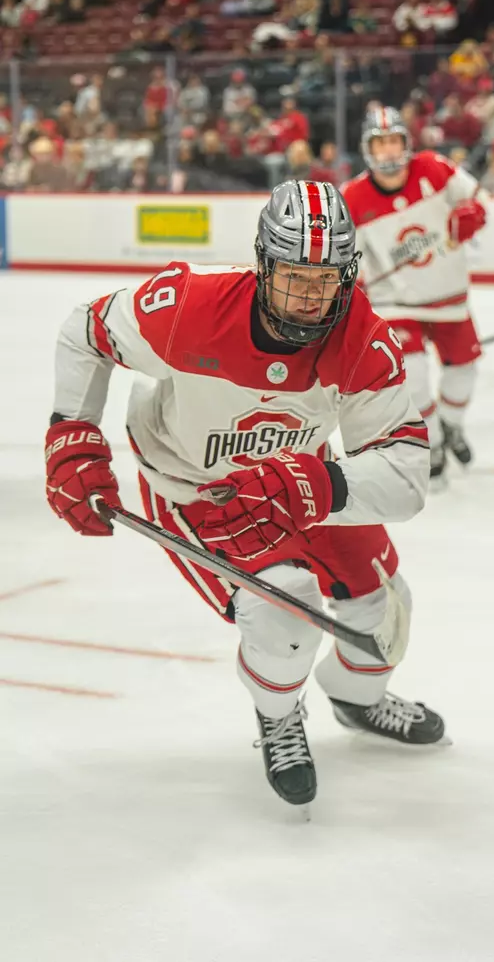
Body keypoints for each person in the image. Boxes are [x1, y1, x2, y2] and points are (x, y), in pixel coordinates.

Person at [44, 181, 445, 812]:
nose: (310, 297)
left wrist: (318, 484)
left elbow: (407, 472)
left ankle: (357, 699)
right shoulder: (188, 304)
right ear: (264, 264)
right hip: (196, 487)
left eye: (326, 280)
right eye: (294, 277)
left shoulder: (362, 337)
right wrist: (72, 432)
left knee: (385, 607)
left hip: (301, 479)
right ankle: (279, 715)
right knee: (285, 617)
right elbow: (85, 332)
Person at [341, 107, 489, 481]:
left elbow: (478, 199)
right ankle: (434, 440)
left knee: (465, 370)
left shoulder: (435, 169)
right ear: (368, 149)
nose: (388, 151)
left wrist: (472, 214)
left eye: (393, 141)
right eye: (380, 143)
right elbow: (346, 257)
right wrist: (351, 286)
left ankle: (452, 425)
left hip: (449, 296)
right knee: (415, 377)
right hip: (395, 303)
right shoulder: (353, 198)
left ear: (406, 143)